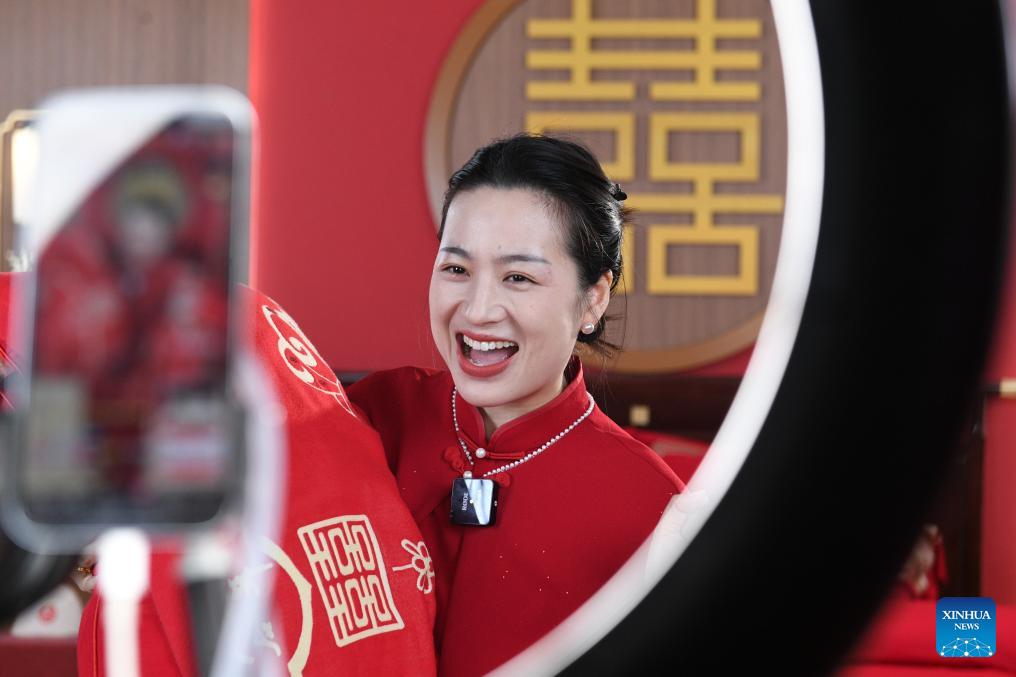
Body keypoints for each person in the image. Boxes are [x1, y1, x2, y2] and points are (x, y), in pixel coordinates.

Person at [347, 133, 684, 677]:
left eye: (519, 278)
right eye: (456, 269)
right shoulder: (369, 415)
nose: (478, 310)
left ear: (593, 298)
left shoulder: (647, 506)